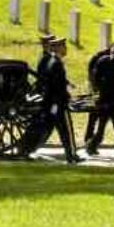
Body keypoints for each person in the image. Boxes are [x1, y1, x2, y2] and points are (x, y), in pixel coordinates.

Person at [35, 35, 79, 163]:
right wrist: (64, 98)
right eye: (64, 47)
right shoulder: (56, 63)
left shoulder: (53, 61)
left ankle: (71, 155)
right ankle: (71, 155)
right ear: (59, 48)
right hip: (58, 102)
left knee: (62, 130)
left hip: (54, 102)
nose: (65, 50)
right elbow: (55, 85)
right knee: (66, 130)